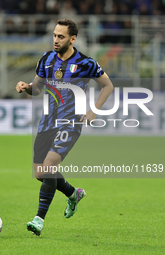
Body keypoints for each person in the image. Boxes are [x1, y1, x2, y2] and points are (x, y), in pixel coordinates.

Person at [15, 19, 114, 236]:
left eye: (61, 36)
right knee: (41, 174)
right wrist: (26, 87)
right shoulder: (47, 59)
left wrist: (94, 110)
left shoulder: (86, 63)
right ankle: (72, 194)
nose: (56, 40)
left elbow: (108, 85)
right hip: (47, 122)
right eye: (54, 35)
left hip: (71, 123)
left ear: (73, 39)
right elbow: (38, 88)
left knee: (50, 165)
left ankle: (38, 219)